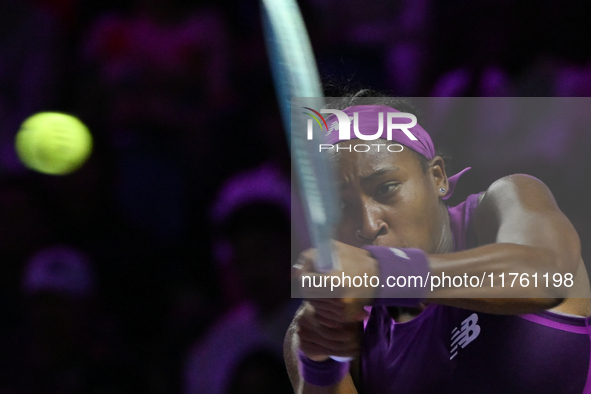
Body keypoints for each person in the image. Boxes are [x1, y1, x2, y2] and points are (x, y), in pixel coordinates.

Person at [285, 92, 591, 393]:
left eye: (386, 188)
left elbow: (550, 275)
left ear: (437, 177)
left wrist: (384, 274)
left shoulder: (502, 205)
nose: (368, 224)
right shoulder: (327, 326)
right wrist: (324, 363)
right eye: (341, 207)